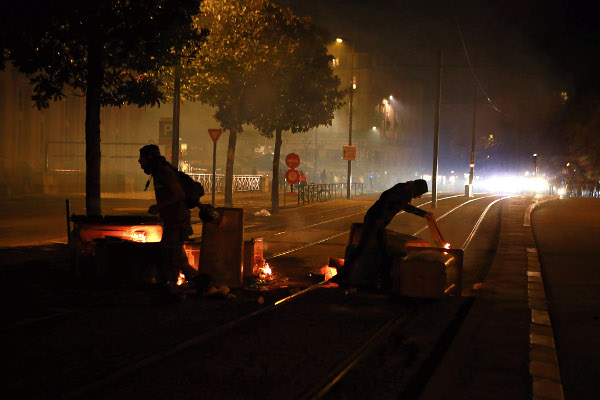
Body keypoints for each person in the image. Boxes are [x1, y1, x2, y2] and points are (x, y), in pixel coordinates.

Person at [335, 179, 433, 289]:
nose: (419, 197)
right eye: (420, 194)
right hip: (375, 220)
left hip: (377, 221)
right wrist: (381, 216)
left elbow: (404, 206)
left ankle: (381, 279)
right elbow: (385, 198)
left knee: (380, 249)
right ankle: (347, 275)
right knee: (364, 248)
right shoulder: (402, 190)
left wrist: (423, 214)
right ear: (417, 190)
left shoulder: (404, 191)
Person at [138, 144, 198, 295]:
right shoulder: (159, 172)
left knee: (172, 257)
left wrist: (159, 207)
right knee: (178, 258)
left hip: (177, 222)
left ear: (149, 158)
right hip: (174, 221)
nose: (139, 161)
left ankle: (172, 289)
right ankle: (202, 282)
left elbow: (180, 195)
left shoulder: (164, 172)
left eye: (142, 158)